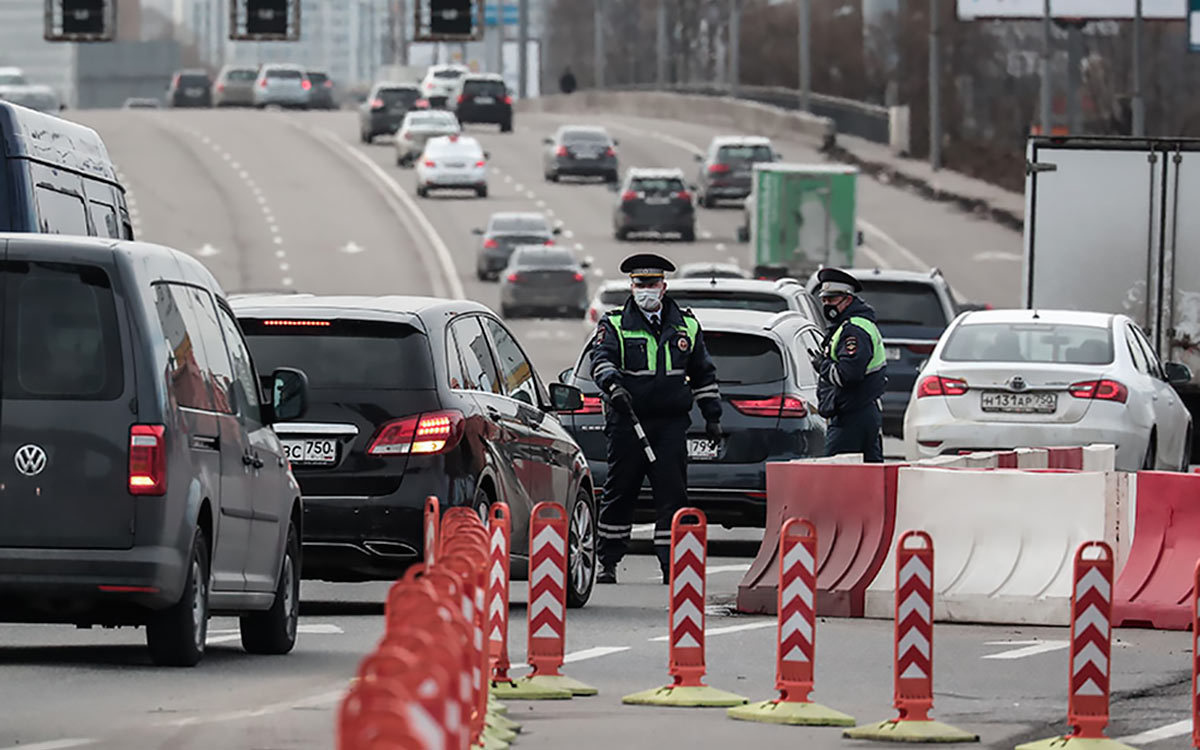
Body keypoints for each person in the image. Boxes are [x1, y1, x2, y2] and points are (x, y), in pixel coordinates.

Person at [590, 253, 722, 584]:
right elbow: (601, 360)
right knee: (620, 491)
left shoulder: (687, 325)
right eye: (639, 284)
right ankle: (607, 561)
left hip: (670, 426)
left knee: (672, 495)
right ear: (631, 287)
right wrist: (613, 387)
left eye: (651, 284)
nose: (646, 289)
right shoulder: (615, 323)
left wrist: (713, 416)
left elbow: (703, 374)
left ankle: (671, 565)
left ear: (663, 287)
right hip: (628, 421)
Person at [814, 267, 887, 462]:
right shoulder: (849, 325)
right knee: (868, 474)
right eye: (824, 300)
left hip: (852, 415)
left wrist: (823, 366)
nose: (827, 305)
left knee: (835, 476)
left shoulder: (853, 330)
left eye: (832, 300)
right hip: (860, 410)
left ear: (847, 299)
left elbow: (848, 374)